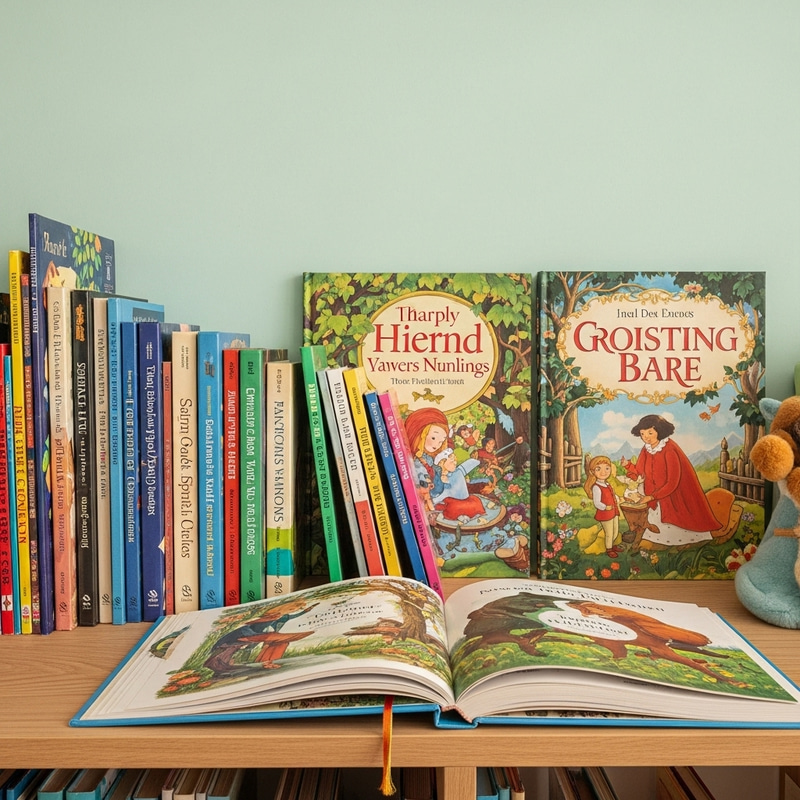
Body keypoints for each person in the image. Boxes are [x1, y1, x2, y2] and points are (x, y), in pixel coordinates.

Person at [620, 414, 721, 547]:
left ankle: (681, 544)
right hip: (654, 495)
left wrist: (651, 497)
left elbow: (673, 483)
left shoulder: (669, 449)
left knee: (676, 529)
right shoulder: (646, 449)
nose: (646, 437)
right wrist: (628, 465)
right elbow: (640, 473)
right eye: (642, 434)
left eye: (650, 432)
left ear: (659, 431)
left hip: (674, 495)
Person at [583, 454, 622, 557]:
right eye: (598, 469)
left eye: (607, 468)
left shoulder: (607, 484)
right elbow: (597, 503)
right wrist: (605, 507)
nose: (603, 472)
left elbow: (612, 495)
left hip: (613, 512)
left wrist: (619, 498)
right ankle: (609, 549)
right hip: (605, 514)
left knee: (615, 531)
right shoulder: (596, 487)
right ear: (592, 472)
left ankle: (612, 545)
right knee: (609, 533)